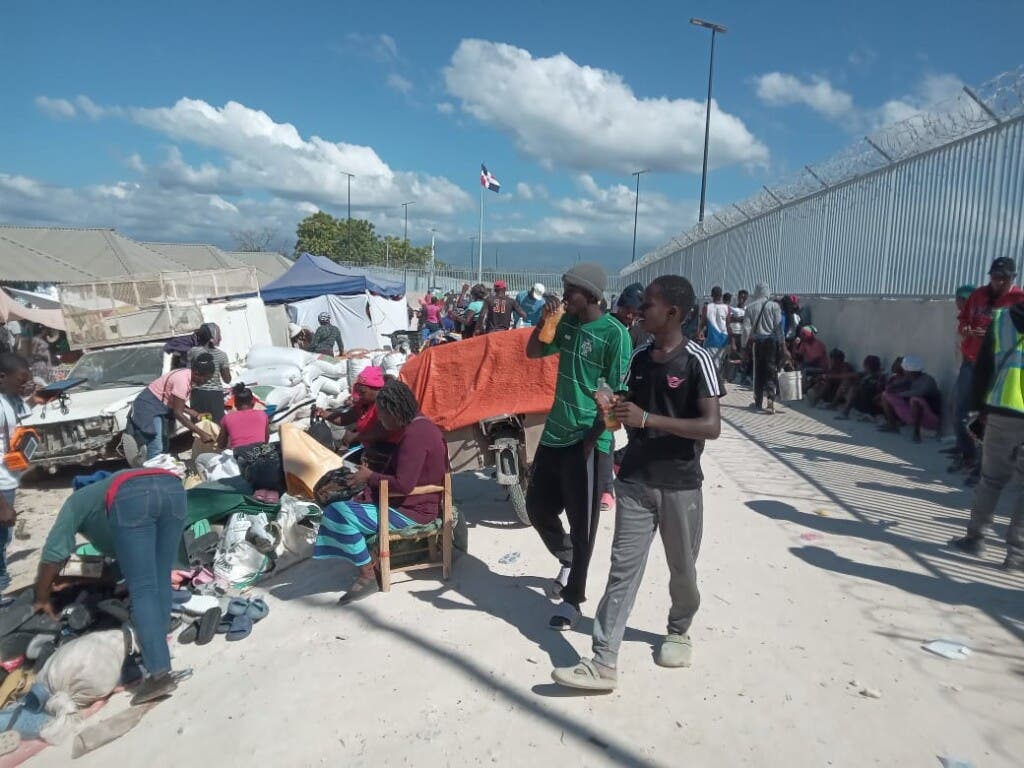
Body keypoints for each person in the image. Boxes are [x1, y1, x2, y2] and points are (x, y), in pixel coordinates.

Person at [551, 275, 722, 691]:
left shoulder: (697, 360)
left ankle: (678, 629)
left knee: (682, 570)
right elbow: (624, 413)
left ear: (672, 313)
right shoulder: (640, 356)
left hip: (680, 485)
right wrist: (610, 409)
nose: (640, 310)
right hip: (634, 482)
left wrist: (648, 419)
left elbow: (711, 427)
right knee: (622, 572)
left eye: (648, 304)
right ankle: (603, 661)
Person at [525, 263, 631, 631]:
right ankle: (568, 557)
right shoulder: (567, 323)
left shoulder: (615, 334)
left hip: (589, 441)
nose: (564, 295)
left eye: (570, 289)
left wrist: (593, 440)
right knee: (536, 508)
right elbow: (533, 352)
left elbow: (616, 395)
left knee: (583, 524)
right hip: (555, 434)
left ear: (590, 294)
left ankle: (573, 600)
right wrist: (544, 322)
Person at [32, 469, 188, 705]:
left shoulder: (76, 501)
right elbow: (121, 563)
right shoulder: (106, 491)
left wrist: (41, 596)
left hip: (134, 497)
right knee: (160, 579)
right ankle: (159, 643)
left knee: (143, 588)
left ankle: (159, 674)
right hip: (173, 488)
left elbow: (53, 553)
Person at [313, 379, 448, 603]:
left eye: (383, 416)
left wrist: (370, 477)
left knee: (337, 512)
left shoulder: (415, 436)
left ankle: (368, 573)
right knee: (350, 501)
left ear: (395, 411)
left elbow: (404, 485)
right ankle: (367, 554)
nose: (382, 421)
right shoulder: (421, 426)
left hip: (413, 511)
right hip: (416, 503)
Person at [949, 298, 1024, 571]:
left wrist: (977, 409)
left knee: (991, 479)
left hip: (1003, 411)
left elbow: (983, 369)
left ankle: (976, 539)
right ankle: (1017, 556)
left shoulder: (1003, 319)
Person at [953, 260, 1022, 475]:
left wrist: (992, 336)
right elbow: (963, 320)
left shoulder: (1018, 299)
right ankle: (966, 455)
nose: (998, 282)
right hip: (971, 360)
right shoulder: (978, 295)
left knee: (989, 417)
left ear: (1012, 278)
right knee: (961, 410)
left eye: (1003, 278)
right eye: (994, 277)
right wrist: (966, 329)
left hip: (998, 367)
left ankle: (984, 467)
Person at [126, 354, 215, 461]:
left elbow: (177, 403)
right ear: (196, 373)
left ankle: (162, 466)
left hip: (159, 406)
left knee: (164, 443)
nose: (206, 382)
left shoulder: (188, 375)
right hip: (148, 406)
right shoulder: (182, 381)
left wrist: (196, 415)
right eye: (205, 379)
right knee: (156, 444)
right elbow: (178, 413)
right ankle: (153, 468)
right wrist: (200, 433)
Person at [320, 366, 396, 471]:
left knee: (378, 479)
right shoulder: (364, 404)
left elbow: (382, 432)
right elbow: (346, 418)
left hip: (388, 455)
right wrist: (325, 414)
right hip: (371, 452)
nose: (359, 396)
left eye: (363, 392)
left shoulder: (385, 406)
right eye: (358, 392)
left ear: (376, 389)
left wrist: (355, 437)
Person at [0, 353, 32, 594]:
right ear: (2, 377)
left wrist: (36, 399)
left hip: (8, 480)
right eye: (21, 381)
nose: (25, 385)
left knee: (4, 538)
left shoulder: (9, 398)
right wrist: (2, 505)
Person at [743, 284, 787, 414]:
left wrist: (744, 347)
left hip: (758, 343)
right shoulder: (774, 306)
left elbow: (746, 330)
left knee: (758, 371)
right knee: (771, 370)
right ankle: (771, 400)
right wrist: (783, 346)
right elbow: (779, 328)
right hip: (772, 343)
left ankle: (758, 401)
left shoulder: (750, 307)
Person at [880, 355, 942, 442]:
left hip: (930, 417)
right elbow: (895, 387)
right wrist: (892, 387)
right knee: (886, 394)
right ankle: (892, 425)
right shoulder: (910, 379)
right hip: (913, 415)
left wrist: (899, 394)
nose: (904, 371)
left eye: (905, 370)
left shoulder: (928, 380)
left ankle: (916, 434)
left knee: (915, 399)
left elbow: (918, 392)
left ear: (909, 371)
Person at [187, 323, 231, 424]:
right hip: (215, 395)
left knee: (200, 424)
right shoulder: (222, 355)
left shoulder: (193, 352)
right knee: (217, 425)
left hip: (198, 394)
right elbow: (227, 379)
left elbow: (188, 373)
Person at [217, 384, 270, 451]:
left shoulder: (227, 418)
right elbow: (266, 439)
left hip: (240, 455)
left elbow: (221, 444)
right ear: (252, 402)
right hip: (259, 453)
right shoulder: (262, 415)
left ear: (235, 403)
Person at [835, 355, 885, 421]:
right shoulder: (865, 374)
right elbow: (849, 376)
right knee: (847, 382)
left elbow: (876, 390)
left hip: (871, 404)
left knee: (854, 388)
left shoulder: (879, 376)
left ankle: (845, 412)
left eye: (866, 364)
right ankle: (836, 405)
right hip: (862, 401)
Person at [700, 286, 731, 373]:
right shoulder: (727, 308)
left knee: (710, 365)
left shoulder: (707, 307)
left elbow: (702, 323)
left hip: (711, 340)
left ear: (712, 295)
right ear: (721, 295)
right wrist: (732, 341)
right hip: (724, 340)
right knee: (719, 364)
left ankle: (713, 379)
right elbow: (728, 325)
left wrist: (700, 332)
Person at [612, 283, 650, 350]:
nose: (629, 316)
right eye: (627, 309)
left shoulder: (640, 333)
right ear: (620, 307)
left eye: (634, 313)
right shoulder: (608, 326)